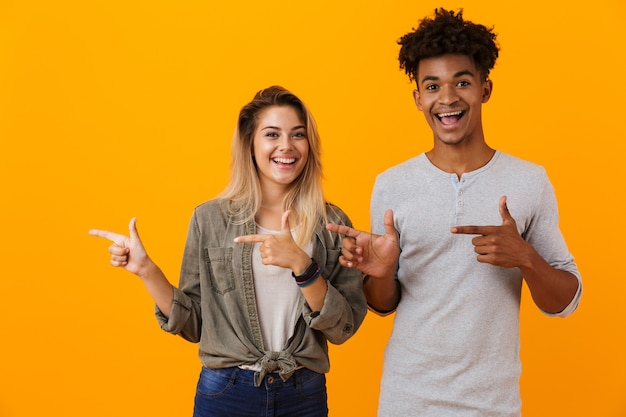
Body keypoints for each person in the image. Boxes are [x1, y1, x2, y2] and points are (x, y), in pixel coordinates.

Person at [326, 8, 582, 417]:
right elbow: (383, 303)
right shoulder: (391, 184)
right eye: (432, 86)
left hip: (493, 405)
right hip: (406, 399)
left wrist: (526, 258)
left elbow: (566, 300)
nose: (447, 98)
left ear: (485, 88)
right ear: (418, 98)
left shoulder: (530, 181)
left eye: (462, 82)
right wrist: (382, 272)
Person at [89, 85, 367, 417]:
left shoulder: (332, 224)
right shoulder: (210, 219)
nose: (286, 146)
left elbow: (342, 327)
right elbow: (193, 324)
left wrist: (302, 266)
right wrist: (146, 269)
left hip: (302, 394)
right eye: (272, 134)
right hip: (226, 394)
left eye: (298, 134)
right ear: (250, 143)